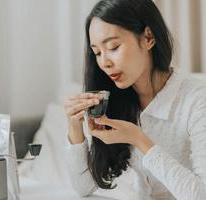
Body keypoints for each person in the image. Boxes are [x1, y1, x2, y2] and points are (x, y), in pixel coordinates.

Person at [64, 0, 206, 199]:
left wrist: (138, 140)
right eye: (97, 52)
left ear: (148, 37)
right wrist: (75, 128)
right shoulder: (115, 100)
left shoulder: (198, 100)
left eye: (113, 47)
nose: (104, 62)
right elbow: (83, 188)